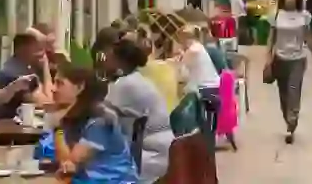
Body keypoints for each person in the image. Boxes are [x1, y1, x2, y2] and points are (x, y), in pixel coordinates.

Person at [51, 64, 140, 183]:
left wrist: (57, 127)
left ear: (80, 87)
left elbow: (69, 164)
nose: (53, 88)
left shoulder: (100, 120)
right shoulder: (76, 116)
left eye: (59, 83)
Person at [103, 39, 175, 183]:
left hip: (149, 155)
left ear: (120, 61)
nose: (105, 61)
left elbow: (100, 113)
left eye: (108, 58)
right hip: (162, 149)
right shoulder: (138, 79)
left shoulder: (126, 85)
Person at [266, 0, 312, 144]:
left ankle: (292, 123)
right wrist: (268, 57)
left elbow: (308, 38)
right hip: (280, 58)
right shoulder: (276, 15)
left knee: (293, 90)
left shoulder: (304, 15)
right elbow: (271, 38)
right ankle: (287, 118)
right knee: (283, 93)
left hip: (298, 59)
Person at [0, 31, 49, 121]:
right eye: (37, 49)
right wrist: (45, 68)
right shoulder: (14, 73)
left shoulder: (24, 67)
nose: (42, 54)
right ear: (22, 49)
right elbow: (45, 103)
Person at [174, 25, 221, 91]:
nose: (180, 43)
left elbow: (183, 75)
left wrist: (180, 60)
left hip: (205, 88)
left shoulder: (192, 51)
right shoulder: (199, 47)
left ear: (185, 38)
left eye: (180, 40)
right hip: (215, 86)